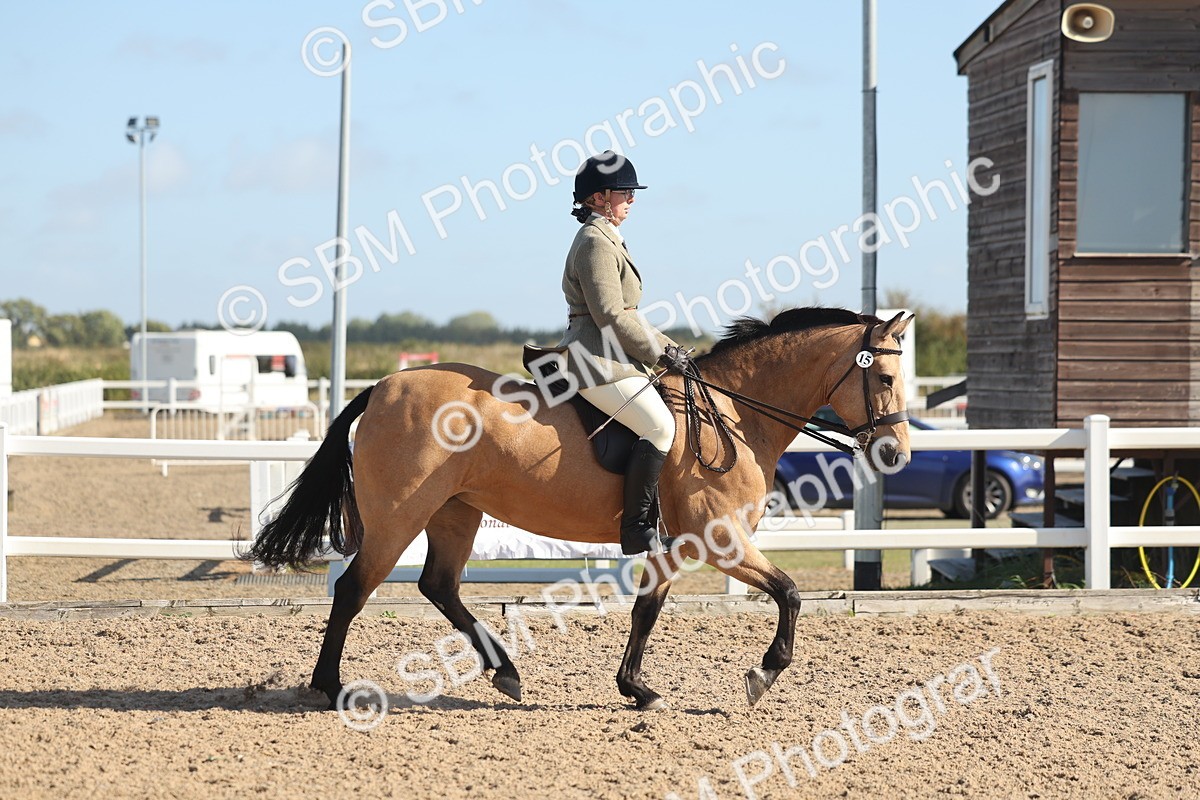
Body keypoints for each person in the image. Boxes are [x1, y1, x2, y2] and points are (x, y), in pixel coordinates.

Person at [557, 151, 691, 555]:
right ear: (598, 198)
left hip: (614, 358)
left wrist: (670, 347)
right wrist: (662, 355)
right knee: (660, 427)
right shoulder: (595, 242)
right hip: (594, 360)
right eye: (625, 192)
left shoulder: (608, 237)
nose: (631, 199)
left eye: (632, 192)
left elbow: (630, 314)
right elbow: (611, 316)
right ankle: (635, 529)